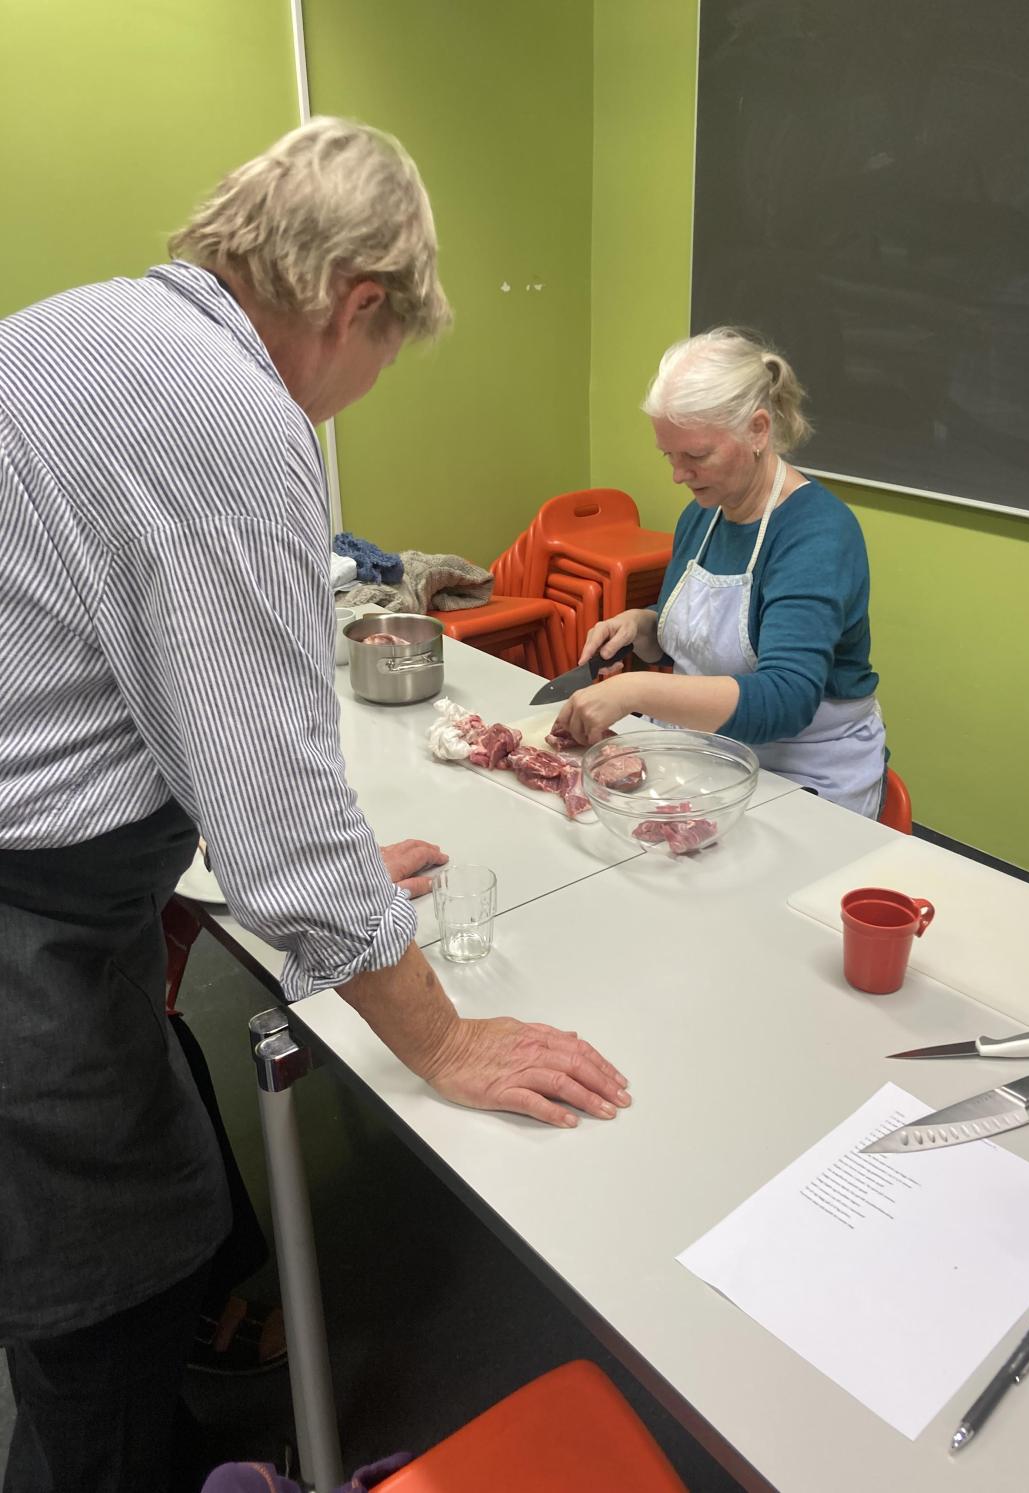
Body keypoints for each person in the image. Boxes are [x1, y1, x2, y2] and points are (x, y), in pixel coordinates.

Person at [0, 117, 629, 1493]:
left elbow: (99, 692)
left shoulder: (78, 331)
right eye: (388, 352)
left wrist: (299, 868)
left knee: (140, 1230)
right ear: (358, 303)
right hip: (25, 940)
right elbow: (277, 811)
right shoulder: (225, 415)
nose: (363, 387)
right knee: (99, 1293)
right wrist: (444, 1037)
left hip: (55, 894)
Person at [556, 327, 887, 816]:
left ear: (757, 431)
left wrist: (635, 691)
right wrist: (646, 625)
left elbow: (787, 698)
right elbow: (715, 635)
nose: (678, 475)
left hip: (803, 774)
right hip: (709, 755)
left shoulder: (817, 534)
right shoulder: (703, 514)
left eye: (696, 455)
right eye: (669, 456)